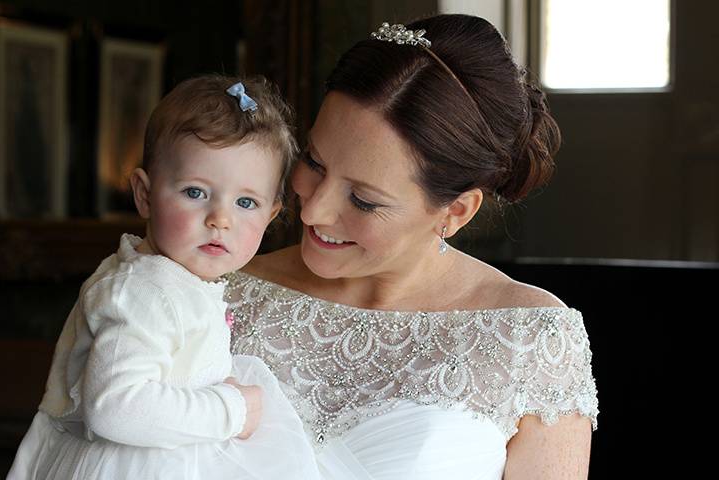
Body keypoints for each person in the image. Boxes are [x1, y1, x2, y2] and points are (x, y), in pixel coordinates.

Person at [226, 15, 599, 479]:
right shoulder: (222, 294)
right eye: (314, 162)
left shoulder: (529, 341)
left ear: (456, 212)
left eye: (363, 200)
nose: (313, 211)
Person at [8, 75, 321, 480]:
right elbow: (117, 406)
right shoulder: (144, 291)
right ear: (144, 194)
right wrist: (231, 410)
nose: (220, 219)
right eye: (195, 192)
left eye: (246, 202)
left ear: (271, 216)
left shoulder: (178, 279)